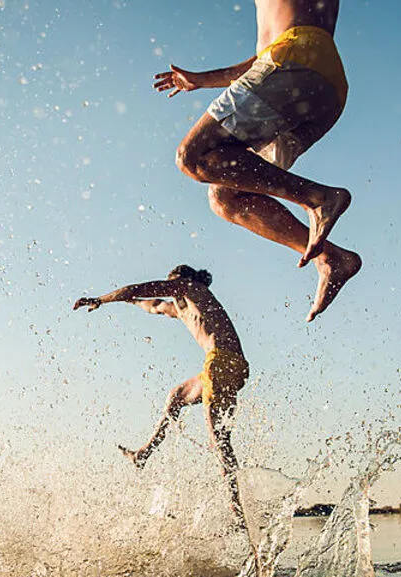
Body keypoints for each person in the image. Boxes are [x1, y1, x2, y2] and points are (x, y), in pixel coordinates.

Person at [153, 0, 360, 321]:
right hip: (324, 87)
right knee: (226, 195)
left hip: (294, 60)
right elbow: (266, 56)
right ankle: (331, 258)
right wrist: (201, 80)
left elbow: (279, 53)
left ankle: (318, 198)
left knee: (194, 156)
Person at [73, 265, 250, 513]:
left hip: (220, 363)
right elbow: (153, 304)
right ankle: (144, 453)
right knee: (176, 397)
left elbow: (139, 287)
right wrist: (130, 302)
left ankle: (236, 510)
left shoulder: (191, 288)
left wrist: (101, 300)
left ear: (184, 280)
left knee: (218, 441)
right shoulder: (184, 308)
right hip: (227, 366)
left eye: (173, 284)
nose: (173, 291)